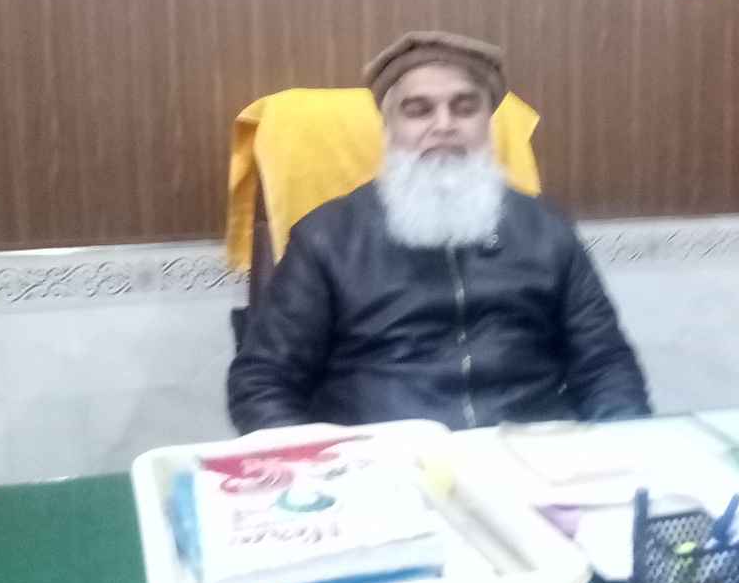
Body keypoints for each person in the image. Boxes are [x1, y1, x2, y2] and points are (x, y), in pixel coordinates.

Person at [228, 31, 650, 432]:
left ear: (488, 123)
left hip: (527, 453)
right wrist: (324, 466)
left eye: (464, 108)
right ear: (389, 127)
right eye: (419, 110)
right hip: (382, 461)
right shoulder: (327, 238)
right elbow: (262, 382)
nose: (444, 125)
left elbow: (606, 364)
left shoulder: (546, 229)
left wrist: (621, 451)